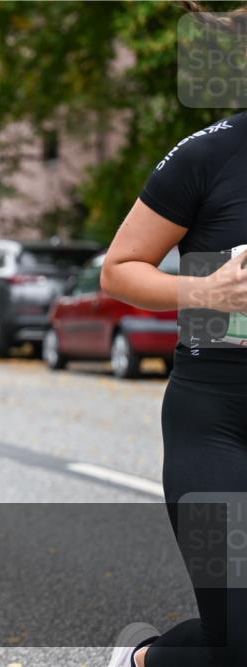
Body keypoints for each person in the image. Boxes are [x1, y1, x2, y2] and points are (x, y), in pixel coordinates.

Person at [100, 111, 246, 667]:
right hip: (216, 423)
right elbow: (118, 270)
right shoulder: (209, 155)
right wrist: (207, 292)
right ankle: (142, 661)